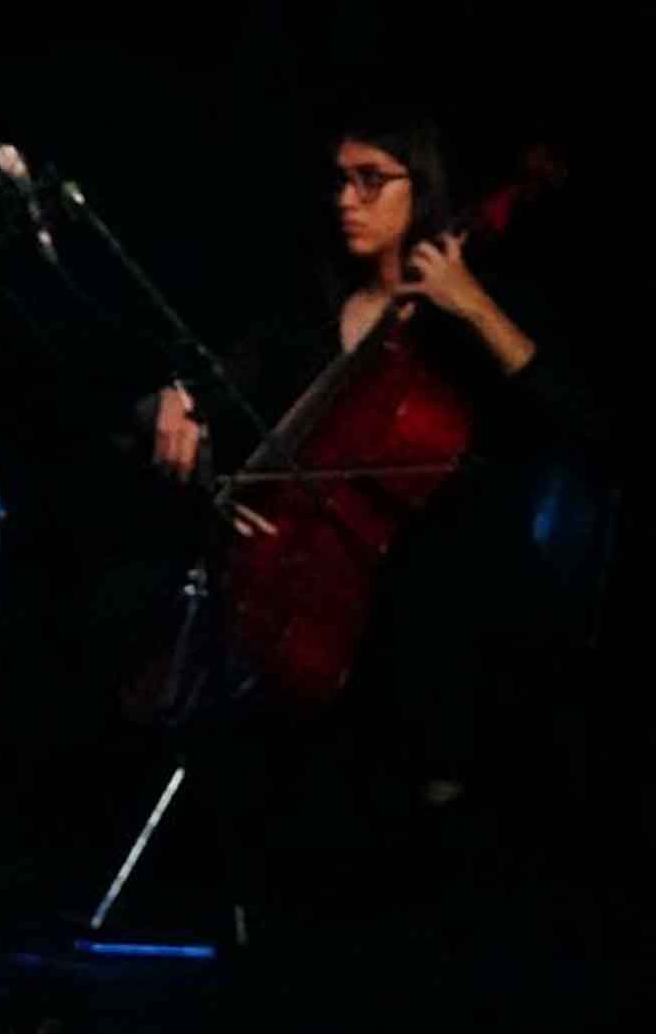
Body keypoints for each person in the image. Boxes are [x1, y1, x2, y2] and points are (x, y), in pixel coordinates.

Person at [147, 115, 596, 929]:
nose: (345, 200)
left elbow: (572, 423)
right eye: (339, 180)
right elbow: (213, 391)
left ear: (419, 191)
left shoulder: (464, 317)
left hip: (446, 597)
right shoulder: (309, 319)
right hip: (326, 590)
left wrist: (475, 307)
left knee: (434, 611)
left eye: (370, 179)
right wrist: (177, 398)